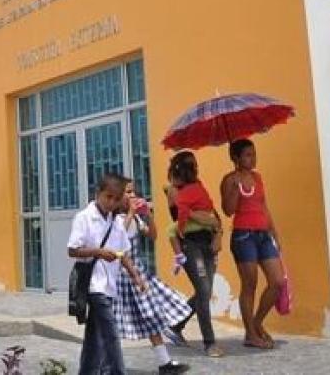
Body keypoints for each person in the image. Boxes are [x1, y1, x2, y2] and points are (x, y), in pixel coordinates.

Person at [67, 173, 146, 374]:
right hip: (94, 285)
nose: (111, 202)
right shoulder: (84, 217)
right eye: (108, 197)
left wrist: (136, 276)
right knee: (111, 333)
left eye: (116, 199)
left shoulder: (116, 221)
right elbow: (72, 250)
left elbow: (123, 252)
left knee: (94, 336)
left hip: (109, 285)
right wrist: (99, 252)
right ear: (98, 194)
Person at [112, 176, 192, 374]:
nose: (132, 195)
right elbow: (117, 238)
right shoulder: (116, 220)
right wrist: (131, 212)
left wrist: (148, 215)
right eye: (128, 192)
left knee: (151, 315)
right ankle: (107, 362)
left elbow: (153, 236)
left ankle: (165, 362)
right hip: (121, 277)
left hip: (138, 272)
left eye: (133, 191)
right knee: (113, 321)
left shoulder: (136, 219)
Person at [220, 139, 285, 349]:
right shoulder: (229, 180)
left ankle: (256, 323)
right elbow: (228, 210)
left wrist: (274, 233)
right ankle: (250, 334)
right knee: (250, 285)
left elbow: (264, 206)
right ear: (236, 158)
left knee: (277, 281)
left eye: (253, 154)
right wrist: (235, 190)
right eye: (248, 155)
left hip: (263, 235)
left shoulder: (257, 177)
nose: (253, 158)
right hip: (243, 236)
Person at [167, 151, 226, 358]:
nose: (195, 168)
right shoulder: (174, 192)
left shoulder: (199, 187)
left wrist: (218, 234)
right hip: (189, 244)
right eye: (191, 165)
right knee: (203, 289)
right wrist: (200, 216)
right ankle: (209, 342)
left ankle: (175, 325)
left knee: (205, 292)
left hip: (208, 242)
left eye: (195, 165)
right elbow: (180, 221)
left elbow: (213, 215)